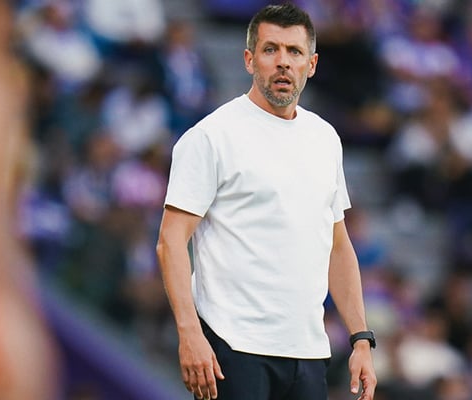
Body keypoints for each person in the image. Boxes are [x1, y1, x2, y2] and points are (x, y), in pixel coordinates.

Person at [156, 4, 377, 400]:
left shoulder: (325, 139)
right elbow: (170, 241)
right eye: (270, 49)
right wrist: (189, 334)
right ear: (249, 60)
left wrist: (360, 338)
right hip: (231, 346)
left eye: (294, 52)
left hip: (307, 351)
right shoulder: (211, 136)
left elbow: (338, 245)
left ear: (311, 65)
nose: (283, 62)